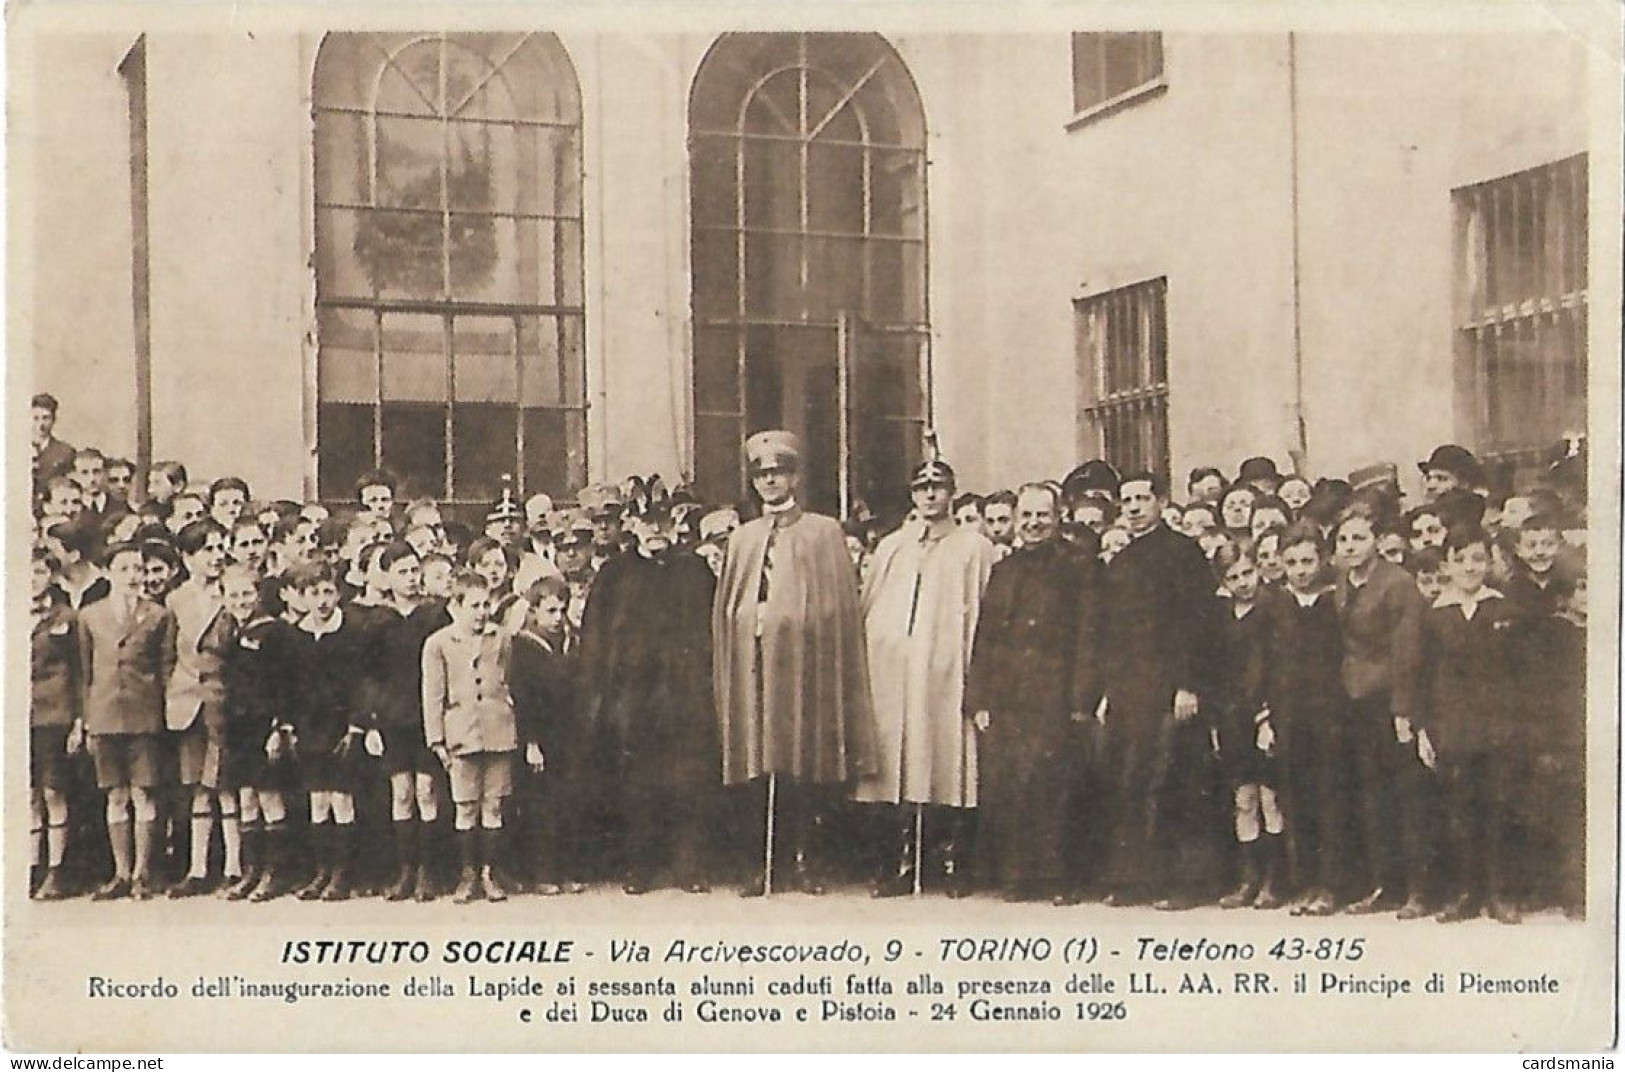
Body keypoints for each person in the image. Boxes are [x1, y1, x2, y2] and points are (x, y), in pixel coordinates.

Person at [712, 429, 878, 896]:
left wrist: (798, 622)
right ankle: (761, 864)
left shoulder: (823, 532)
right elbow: (727, 607)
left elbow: (838, 608)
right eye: (762, 474)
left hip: (805, 665)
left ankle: (806, 860)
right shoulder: (742, 540)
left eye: (778, 472)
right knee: (756, 760)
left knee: (802, 760)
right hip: (754, 663)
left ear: (795, 477)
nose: (770, 481)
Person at [855, 446, 996, 898]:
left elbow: (984, 611)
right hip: (893, 673)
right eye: (922, 488)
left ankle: (952, 862)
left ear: (952, 494)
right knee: (896, 765)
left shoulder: (975, 548)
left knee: (949, 761)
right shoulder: (893, 546)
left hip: (947, 668)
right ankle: (899, 862)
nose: (930, 496)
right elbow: (868, 605)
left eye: (938, 488)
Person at [965, 483, 1101, 903]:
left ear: (1058, 517)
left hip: (1056, 694)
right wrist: (980, 699)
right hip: (1010, 696)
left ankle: (1063, 878)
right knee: (1014, 784)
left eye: (1042, 515)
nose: (1033, 523)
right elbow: (986, 637)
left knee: (1058, 785)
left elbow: (1088, 636)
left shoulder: (1078, 567)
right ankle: (1020, 874)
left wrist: (1081, 700)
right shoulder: (1005, 570)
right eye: (1026, 516)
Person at [1099, 471, 1225, 910]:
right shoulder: (1121, 561)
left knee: (1180, 782)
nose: (1133, 507)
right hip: (1130, 690)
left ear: (1160, 501)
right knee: (1134, 781)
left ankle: (1189, 883)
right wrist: (1108, 690)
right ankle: (1138, 879)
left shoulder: (1183, 553)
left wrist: (1189, 685)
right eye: (1126, 500)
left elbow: (1199, 624)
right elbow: (1111, 634)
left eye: (1142, 498)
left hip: (1173, 689)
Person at [579, 506, 720, 894]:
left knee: (688, 778)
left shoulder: (694, 571)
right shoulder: (614, 575)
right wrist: (600, 695)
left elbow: (716, 630)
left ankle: (689, 865)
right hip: (633, 696)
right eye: (647, 523)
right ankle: (639, 865)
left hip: (686, 692)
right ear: (633, 526)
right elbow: (595, 638)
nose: (655, 531)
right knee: (636, 780)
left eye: (663, 523)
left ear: (674, 527)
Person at [1415, 526, 1518, 924]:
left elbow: (1518, 673)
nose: (1470, 567)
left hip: (1497, 727)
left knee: (1498, 807)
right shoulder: (1435, 614)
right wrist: (1424, 729)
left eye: (1478, 559)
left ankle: (1499, 893)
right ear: (1447, 566)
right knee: (1459, 810)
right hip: (1453, 727)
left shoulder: (1503, 610)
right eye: (1461, 560)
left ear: (1490, 563)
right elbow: (1421, 675)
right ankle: (1465, 892)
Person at [1332, 501, 1425, 916]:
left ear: (1376, 540)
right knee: (1372, 795)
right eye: (1343, 539)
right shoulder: (1340, 581)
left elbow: (1408, 650)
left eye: (1358, 537)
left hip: (1389, 700)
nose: (1350, 546)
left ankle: (1419, 889)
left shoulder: (1397, 583)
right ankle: (1385, 884)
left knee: (1406, 796)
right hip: (1354, 700)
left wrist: (1403, 709)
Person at [76, 542, 177, 900]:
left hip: (144, 716)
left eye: (138, 568)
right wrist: (85, 720)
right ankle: (120, 873)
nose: (134, 577)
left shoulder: (159, 615)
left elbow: (166, 669)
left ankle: (142, 875)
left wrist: (165, 716)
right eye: (124, 569)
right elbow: (84, 672)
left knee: (144, 794)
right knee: (115, 796)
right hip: (104, 716)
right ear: (108, 573)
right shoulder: (89, 615)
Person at [422, 571, 521, 903]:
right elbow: (432, 694)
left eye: (486, 604)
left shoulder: (502, 637)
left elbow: (506, 678)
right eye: (474, 605)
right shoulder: (438, 643)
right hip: (461, 734)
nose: (482, 612)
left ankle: (489, 873)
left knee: (493, 805)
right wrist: (437, 740)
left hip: (498, 732)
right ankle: (467, 875)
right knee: (465, 807)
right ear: (455, 606)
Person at [1266, 524, 1349, 916]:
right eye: (1292, 562)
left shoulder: (1335, 602)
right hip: (1289, 714)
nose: (1300, 570)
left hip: (1330, 713)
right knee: (1296, 798)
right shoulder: (1275, 605)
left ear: (1322, 560)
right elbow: (1265, 665)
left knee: (1331, 796)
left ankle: (1333, 884)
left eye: (1307, 561)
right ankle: (1307, 881)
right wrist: (1266, 716)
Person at [363, 542, 451, 901]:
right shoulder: (377, 620)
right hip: (393, 718)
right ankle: (405, 871)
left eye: (415, 571)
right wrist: (370, 723)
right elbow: (368, 675)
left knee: (427, 792)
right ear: (387, 577)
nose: (411, 579)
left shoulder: (435, 615)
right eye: (402, 572)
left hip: (429, 716)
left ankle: (430, 873)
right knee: (401, 793)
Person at [164, 521, 241, 898]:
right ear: (186, 556)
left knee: (226, 785)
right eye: (206, 550)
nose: (215, 556)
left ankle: (233, 866)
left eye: (219, 547)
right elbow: (166, 654)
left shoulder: (234, 592)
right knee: (196, 785)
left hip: (223, 698)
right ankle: (197, 868)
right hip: (186, 699)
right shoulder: (175, 599)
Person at [286, 561, 368, 901]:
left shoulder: (351, 632)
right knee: (317, 801)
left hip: (341, 726)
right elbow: (288, 684)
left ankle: (342, 875)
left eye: (328, 592)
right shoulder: (295, 635)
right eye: (313, 593)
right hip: (309, 727)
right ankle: (321, 871)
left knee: (342, 799)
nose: (322, 600)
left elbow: (363, 682)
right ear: (302, 597)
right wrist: (288, 725)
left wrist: (357, 724)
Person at [1211, 540, 1285, 910]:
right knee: (1243, 797)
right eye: (1233, 577)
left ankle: (1275, 879)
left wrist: (1268, 716)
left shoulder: (1274, 609)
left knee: (1270, 795)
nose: (1243, 582)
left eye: (1247, 572)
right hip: (1232, 715)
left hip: (1267, 713)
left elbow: (1277, 667)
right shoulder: (1221, 615)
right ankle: (1249, 878)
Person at [511, 576, 588, 895]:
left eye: (562, 610)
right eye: (551, 611)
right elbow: (523, 697)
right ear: (535, 611)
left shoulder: (572, 642)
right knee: (541, 808)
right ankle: (542, 873)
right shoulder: (524, 647)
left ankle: (567, 870)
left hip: (569, 734)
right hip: (539, 739)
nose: (558, 617)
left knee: (567, 803)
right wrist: (531, 743)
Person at [30, 548, 82, 900]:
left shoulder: (65, 617)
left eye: (38, 571)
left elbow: (80, 671)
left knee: (53, 791)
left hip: (55, 714)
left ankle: (57, 869)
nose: (31, 578)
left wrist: (79, 720)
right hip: (18, 715)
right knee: (28, 794)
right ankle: (31, 866)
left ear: (51, 575)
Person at [31, 393, 77, 496]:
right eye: (36, 418)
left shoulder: (65, 452)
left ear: (54, 419)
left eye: (45, 418)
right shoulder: (20, 449)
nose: (41, 424)